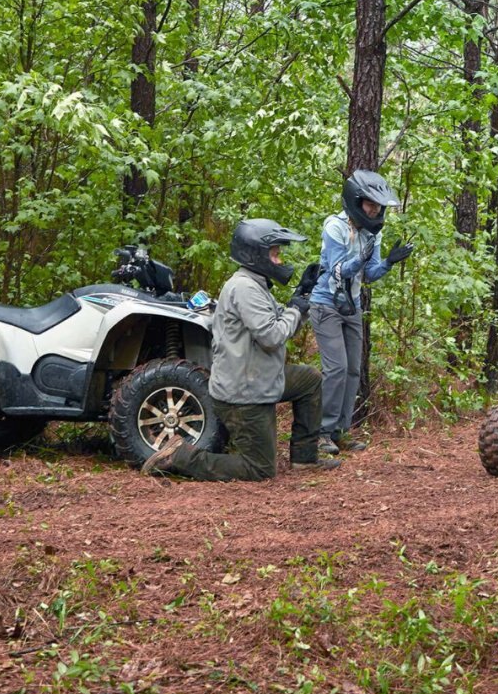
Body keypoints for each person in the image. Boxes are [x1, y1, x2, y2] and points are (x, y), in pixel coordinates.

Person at [141, 218, 340, 479]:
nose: (280, 260)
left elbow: (280, 321)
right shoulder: (244, 288)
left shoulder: (255, 283)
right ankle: (179, 456)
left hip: (260, 376)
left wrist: (301, 296)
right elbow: (272, 336)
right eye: (276, 254)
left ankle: (305, 457)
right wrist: (296, 308)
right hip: (244, 391)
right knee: (260, 469)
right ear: (256, 254)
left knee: (309, 380)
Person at [308, 170, 414, 455]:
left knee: (353, 370)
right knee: (336, 369)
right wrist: (361, 257)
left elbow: (369, 275)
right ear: (356, 201)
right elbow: (338, 269)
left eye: (378, 206)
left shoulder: (372, 233)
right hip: (326, 303)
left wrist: (389, 262)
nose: (375, 210)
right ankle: (321, 434)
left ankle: (340, 431)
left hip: (351, 305)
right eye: (370, 204)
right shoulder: (335, 226)